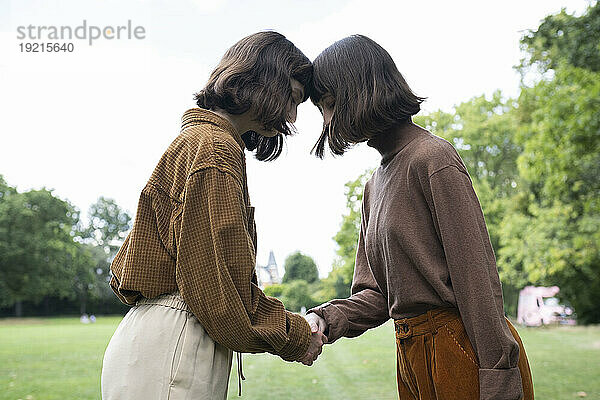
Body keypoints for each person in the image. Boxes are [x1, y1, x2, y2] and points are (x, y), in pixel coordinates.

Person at [304, 35, 534, 400]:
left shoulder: (433, 159)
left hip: (460, 349)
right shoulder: (373, 186)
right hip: (409, 354)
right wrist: (325, 318)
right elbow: (377, 295)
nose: (328, 121)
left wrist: (498, 375)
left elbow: (476, 278)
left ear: (360, 91)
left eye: (330, 105)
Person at [101, 31, 326, 400]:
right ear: (264, 80)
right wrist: (296, 335)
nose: (291, 115)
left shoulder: (200, 142)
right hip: (178, 344)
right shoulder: (215, 150)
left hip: (156, 340)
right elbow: (217, 288)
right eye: (293, 98)